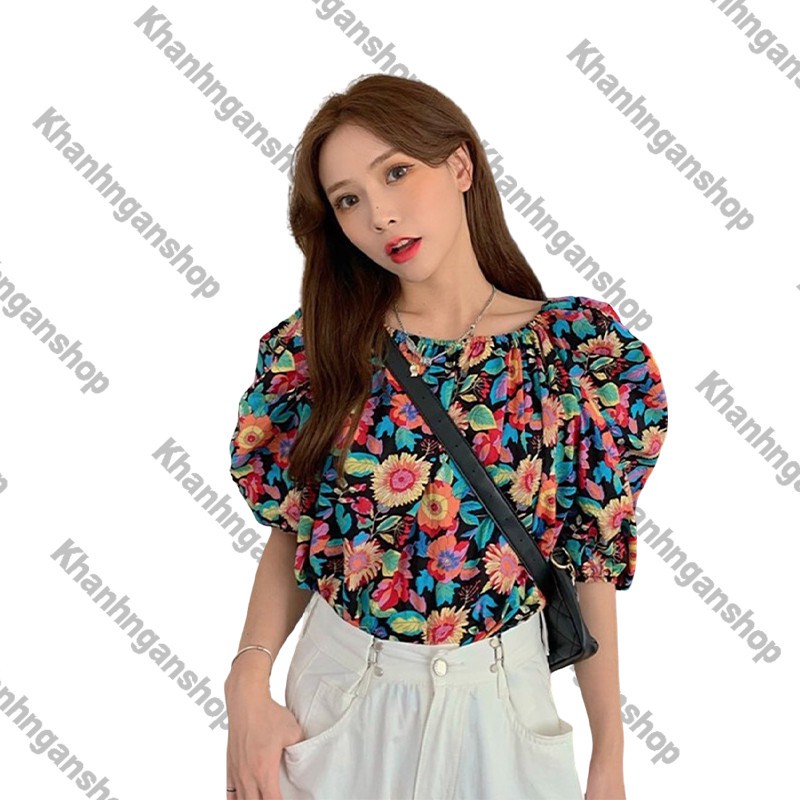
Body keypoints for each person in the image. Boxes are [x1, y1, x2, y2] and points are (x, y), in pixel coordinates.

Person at [223, 73, 668, 800]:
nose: (381, 215)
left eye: (396, 172)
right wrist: (247, 676)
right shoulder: (322, 345)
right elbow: (298, 527)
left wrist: (609, 758)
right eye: (348, 200)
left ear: (460, 165)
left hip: (503, 704)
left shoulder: (575, 353)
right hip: (342, 697)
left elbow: (590, 554)